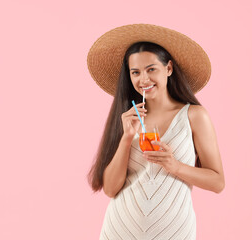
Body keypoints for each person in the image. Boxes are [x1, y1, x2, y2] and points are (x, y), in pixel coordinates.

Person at [87, 24, 225, 240]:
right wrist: (126, 138)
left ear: (168, 68)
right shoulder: (128, 118)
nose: (143, 80)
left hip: (174, 231)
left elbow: (217, 182)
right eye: (136, 72)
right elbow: (111, 189)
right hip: (120, 230)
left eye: (151, 69)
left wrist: (174, 165)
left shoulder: (195, 116)